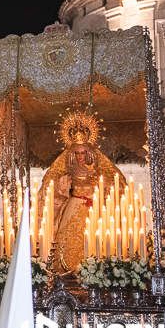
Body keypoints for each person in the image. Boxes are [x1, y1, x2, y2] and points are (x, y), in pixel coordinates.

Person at [39, 108, 126, 273]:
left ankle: (96, 273)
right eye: (77, 153)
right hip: (74, 205)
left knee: (97, 243)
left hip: (95, 209)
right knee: (67, 242)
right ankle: (66, 273)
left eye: (83, 152)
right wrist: (63, 184)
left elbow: (118, 183)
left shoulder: (98, 168)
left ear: (89, 152)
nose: (80, 156)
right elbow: (50, 185)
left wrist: (99, 184)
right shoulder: (67, 168)